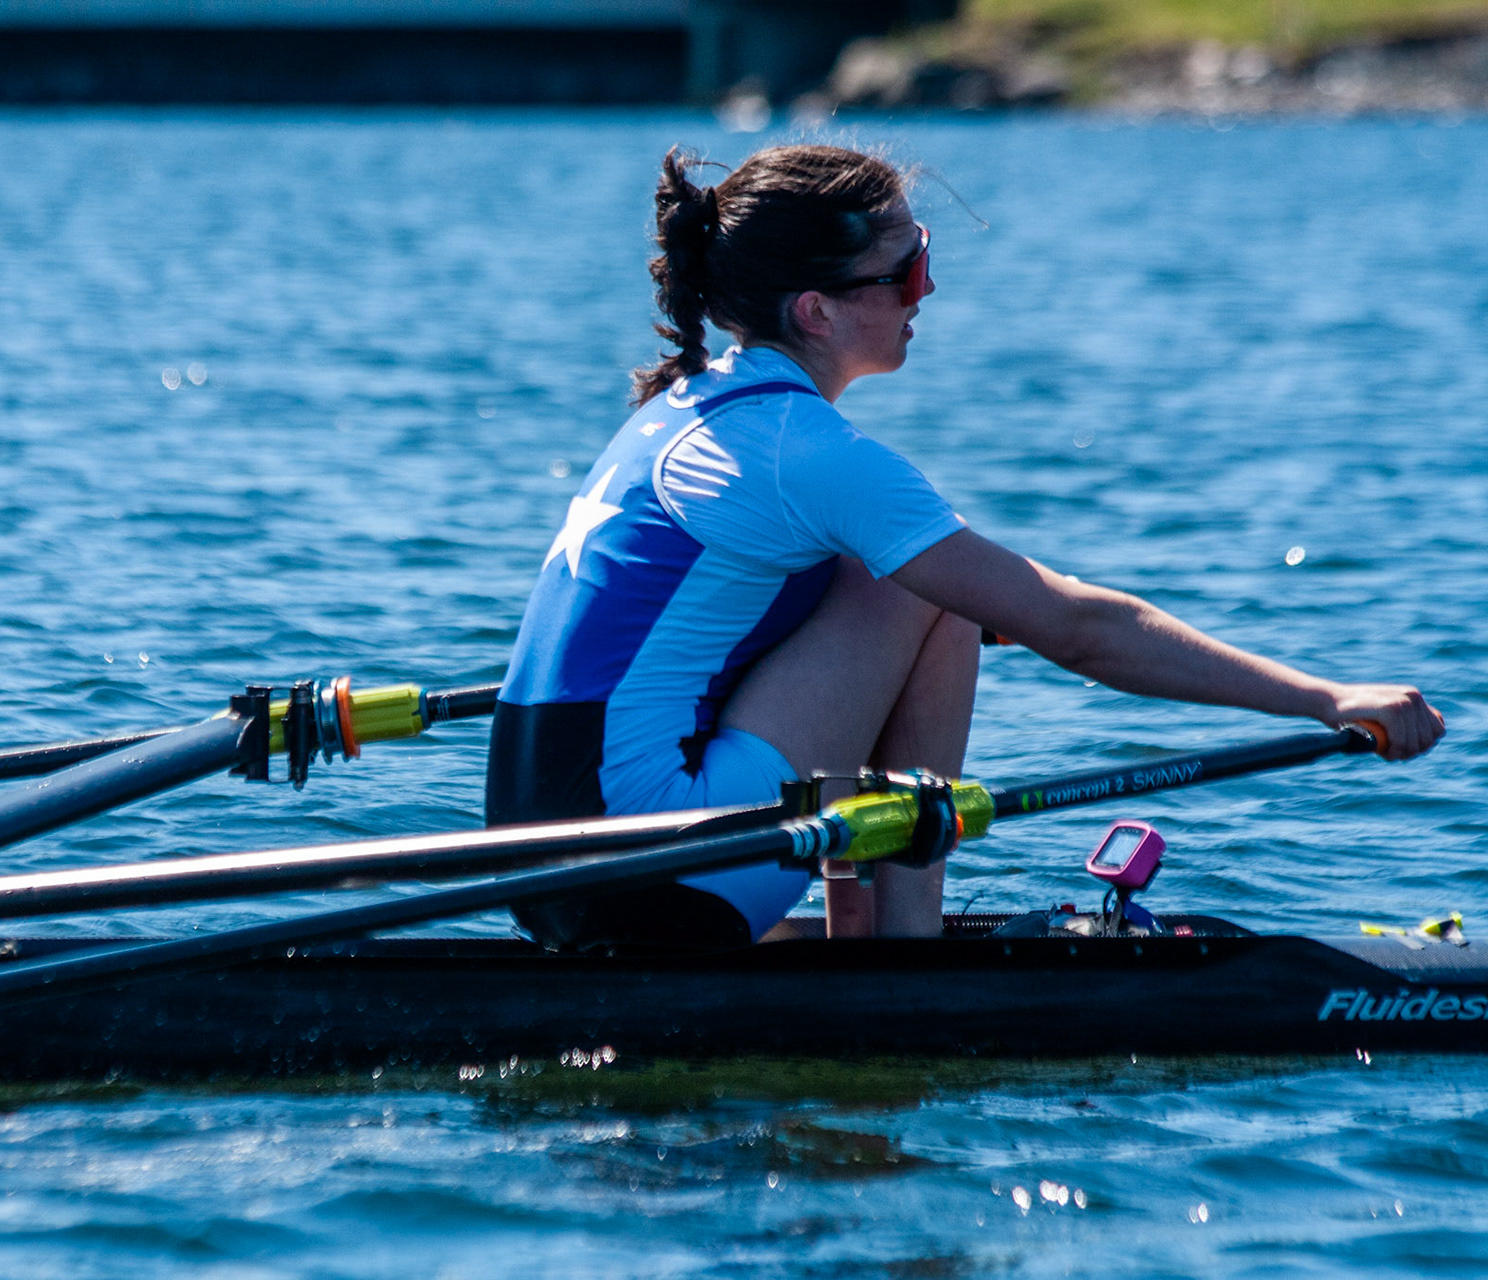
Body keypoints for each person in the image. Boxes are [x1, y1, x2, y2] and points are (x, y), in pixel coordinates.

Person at [486, 143, 1444, 950]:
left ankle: (862, 937)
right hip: (651, 875)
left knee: (906, 576)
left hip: (533, 861)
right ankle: (902, 953)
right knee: (927, 588)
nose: (929, 288)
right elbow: (1080, 629)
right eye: (905, 270)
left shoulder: (687, 405)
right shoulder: (802, 450)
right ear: (815, 310)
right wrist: (1327, 700)